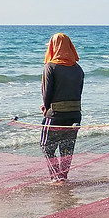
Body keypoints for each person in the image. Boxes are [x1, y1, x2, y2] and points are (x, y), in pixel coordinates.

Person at [40, 33, 84, 182]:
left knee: (46, 146)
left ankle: (56, 177)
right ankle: (63, 177)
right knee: (66, 149)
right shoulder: (78, 69)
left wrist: (46, 108)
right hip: (75, 115)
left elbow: (47, 93)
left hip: (55, 115)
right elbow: (78, 92)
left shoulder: (50, 67)